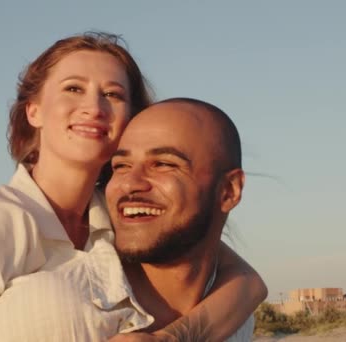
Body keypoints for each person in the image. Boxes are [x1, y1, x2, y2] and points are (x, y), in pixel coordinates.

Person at [0, 32, 266, 342]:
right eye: (73, 89)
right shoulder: (3, 215)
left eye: (112, 94)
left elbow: (248, 284)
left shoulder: (122, 209)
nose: (93, 107)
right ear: (33, 112)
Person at [107, 98, 254, 341]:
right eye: (121, 165)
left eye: (163, 164)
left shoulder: (237, 323)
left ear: (229, 190)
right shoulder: (62, 305)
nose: (130, 183)